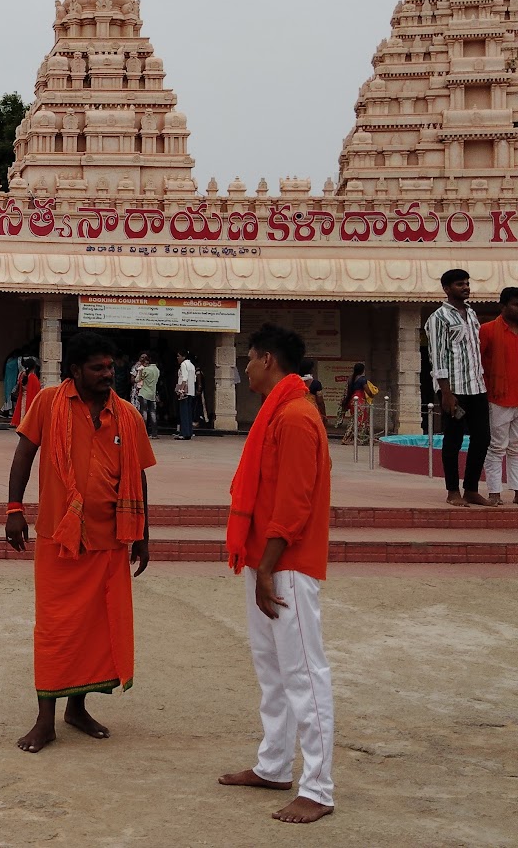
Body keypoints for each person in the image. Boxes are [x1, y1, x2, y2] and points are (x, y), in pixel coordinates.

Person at [5, 331, 154, 754]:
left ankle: (77, 708)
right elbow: (23, 453)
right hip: (59, 536)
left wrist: (142, 533)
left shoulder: (127, 415)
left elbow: (139, 473)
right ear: (75, 371)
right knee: (54, 629)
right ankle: (44, 720)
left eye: (111, 367)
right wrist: (14, 509)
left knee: (94, 629)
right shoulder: (49, 403)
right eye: (98, 368)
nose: (109, 374)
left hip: (110, 541)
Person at [219, 322, 334, 825]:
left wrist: (266, 567)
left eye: (249, 358)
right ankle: (273, 765)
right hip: (264, 559)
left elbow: (294, 501)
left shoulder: (294, 417)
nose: (245, 367)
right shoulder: (279, 412)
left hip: (283, 564)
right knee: (273, 672)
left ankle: (319, 787)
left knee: (304, 674)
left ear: (267, 360)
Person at [425, 268, 492, 506]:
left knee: (483, 438)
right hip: (454, 390)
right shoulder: (438, 318)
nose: (465, 287)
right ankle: (452, 491)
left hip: (477, 386)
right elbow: (438, 357)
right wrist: (446, 393)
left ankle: (471, 489)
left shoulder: (472, 314)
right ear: (446, 289)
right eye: (459, 284)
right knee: (452, 440)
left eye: (466, 283)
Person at [478, 287, 518, 505]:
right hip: (497, 397)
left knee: (517, 447)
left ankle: (517, 490)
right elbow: (478, 365)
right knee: (496, 446)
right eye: (516, 304)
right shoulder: (488, 330)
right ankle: (494, 492)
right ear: (503, 306)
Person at [339, 363, 370, 445]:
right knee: (362, 420)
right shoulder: (362, 379)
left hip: (352, 400)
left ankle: (355, 438)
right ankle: (362, 439)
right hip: (360, 400)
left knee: (354, 419)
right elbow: (368, 391)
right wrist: (372, 394)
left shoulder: (350, 378)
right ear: (362, 370)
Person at [11, 357, 42, 427]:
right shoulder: (33, 377)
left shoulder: (22, 375)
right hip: (30, 399)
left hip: (23, 399)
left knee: (23, 416)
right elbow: (37, 391)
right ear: (34, 367)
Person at [173, 350, 197, 440]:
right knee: (188, 413)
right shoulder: (192, 365)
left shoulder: (183, 364)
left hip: (184, 391)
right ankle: (189, 432)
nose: (177, 358)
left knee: (183, 413)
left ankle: (183, 433)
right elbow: (193, 379)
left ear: (183, 356)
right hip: (191, 391)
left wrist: (181, 390)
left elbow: (184, 378)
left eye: (179, 356)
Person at [134, 353, 160, 430]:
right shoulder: (157, 370)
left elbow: (136, 380)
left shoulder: (145, 369)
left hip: (144, 393)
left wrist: (140, 371)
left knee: (144, 412)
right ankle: (154, 433)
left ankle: (144, 431)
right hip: (152, 393)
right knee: (153, 412)